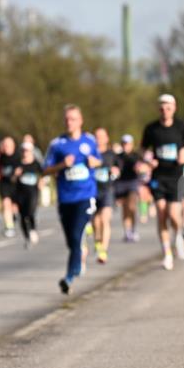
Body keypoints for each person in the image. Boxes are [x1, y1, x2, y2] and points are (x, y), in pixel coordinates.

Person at [44, 104, 102, 295]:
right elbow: (45, 169)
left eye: (73, 119)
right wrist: (62, 165)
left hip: (85, 196)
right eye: (67, 119)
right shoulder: (57, 144)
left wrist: (95, 162)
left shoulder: (89, 141)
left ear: (81, 121)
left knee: (76, 237)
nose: (69, 122)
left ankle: (68, 277)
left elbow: (98, 160)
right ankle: (77, 262)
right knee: (71, 241)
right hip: (65, 198)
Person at [141, 94, 184, 270]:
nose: (165, 110)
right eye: (162, 107)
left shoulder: (181, 127)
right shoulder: (151, 128)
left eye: (168, 107)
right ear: (159, 109)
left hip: (176, 176)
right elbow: (142, 149)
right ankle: (167, 254)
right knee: (161, 213)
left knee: (173, 214)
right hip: (158, 177)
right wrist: (148, 159)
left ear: (174, 108)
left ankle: (180, 235)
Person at [91, 127, 121, 264]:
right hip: (92, 191)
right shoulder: (90, 154)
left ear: (107, 138)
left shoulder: (111, 154)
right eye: (96, 136)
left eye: (102, 136)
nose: (99, 139)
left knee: (104, 219)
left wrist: (116, 170)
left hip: (107, 190)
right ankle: (98, 244)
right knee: (95, 223)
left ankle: (103, 250)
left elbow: (119, 167)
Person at [13, 140, 45, 248]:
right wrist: (15, 175)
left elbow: (44, 174)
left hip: (33, 192)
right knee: (22, 216)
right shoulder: (18, 164)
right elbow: (11, 180)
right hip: (20, 193)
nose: (25, 153)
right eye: (23, 151)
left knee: (31, 211)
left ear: (31, 151)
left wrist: (41, 182)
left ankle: (32, 229)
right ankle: (26, 237)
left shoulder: (36, 163)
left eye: (27, 151)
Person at [114, 134, 143, 242]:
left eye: (128, 144)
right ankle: (127, 231)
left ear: (132, 144)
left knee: (132, 207)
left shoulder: (136, 155)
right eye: (124, 144)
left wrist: (139, 168)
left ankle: (133, 229)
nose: (126, 146)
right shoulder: (118, 156)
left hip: (132, 183)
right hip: (120, 184)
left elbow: (141, 167)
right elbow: (115, 168)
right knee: (125, 208)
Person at [0, 136, 19, 237]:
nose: (6, 147)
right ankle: (9, 227)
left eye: (8, 145)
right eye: (5, 145)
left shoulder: (18, 155)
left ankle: (14, 216)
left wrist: (19, 172)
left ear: (13, 146)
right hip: (4, 183)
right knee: (6, 203)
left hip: (16, 184)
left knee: (14, 207)